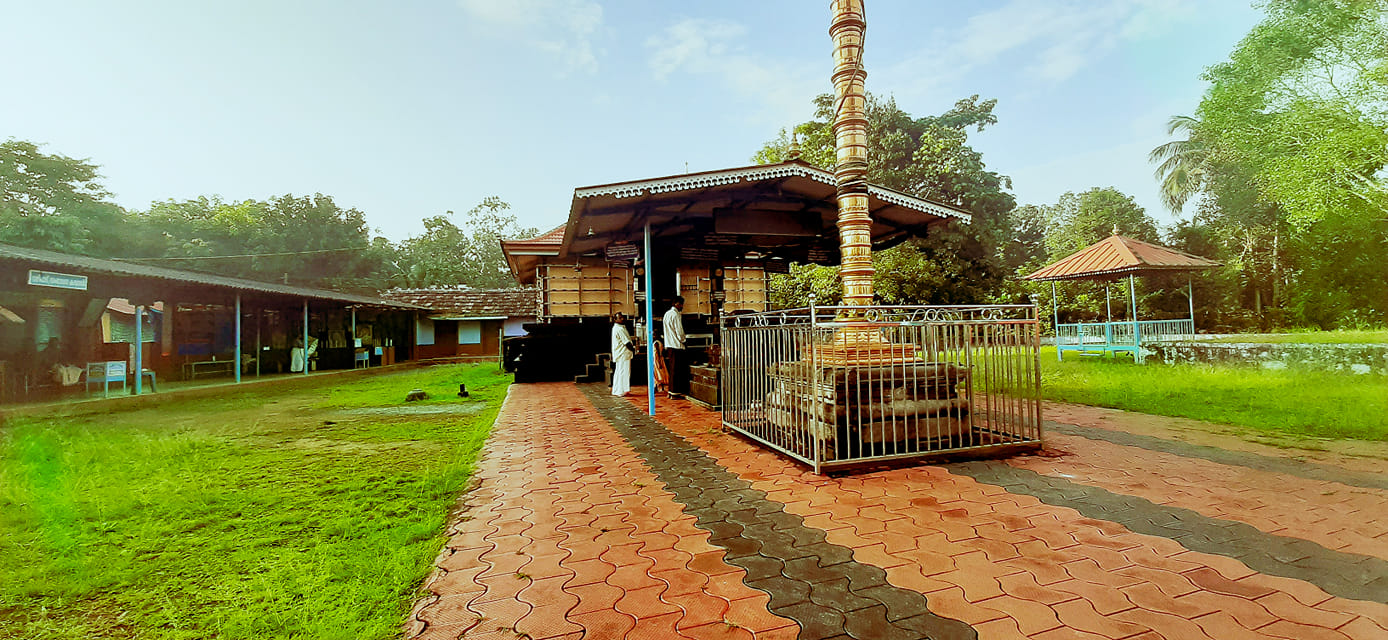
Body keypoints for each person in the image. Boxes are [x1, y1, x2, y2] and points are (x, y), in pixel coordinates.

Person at [661, 296, 688, 398]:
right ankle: (675, 392)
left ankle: (671, 391)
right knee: (677, 370)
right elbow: (679, 331)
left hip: (669, 345)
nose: (682, 307)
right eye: (681, 304)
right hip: (677, 346)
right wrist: (684, 341)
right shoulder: (675, 315)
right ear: (677, 304)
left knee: (672, 369)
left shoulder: (666, 314)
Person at [610, 312, 634, 396]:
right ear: (615, 320)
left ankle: (620, 389)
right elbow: (626, 342)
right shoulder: (619, 329)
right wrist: (633, 349)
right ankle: (621, 390)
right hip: (623, 353)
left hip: (622, 353)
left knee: (621, 371)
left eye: (622, 317)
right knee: (623, 372)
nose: (622, 319)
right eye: (620, 318)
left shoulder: (619, 327)